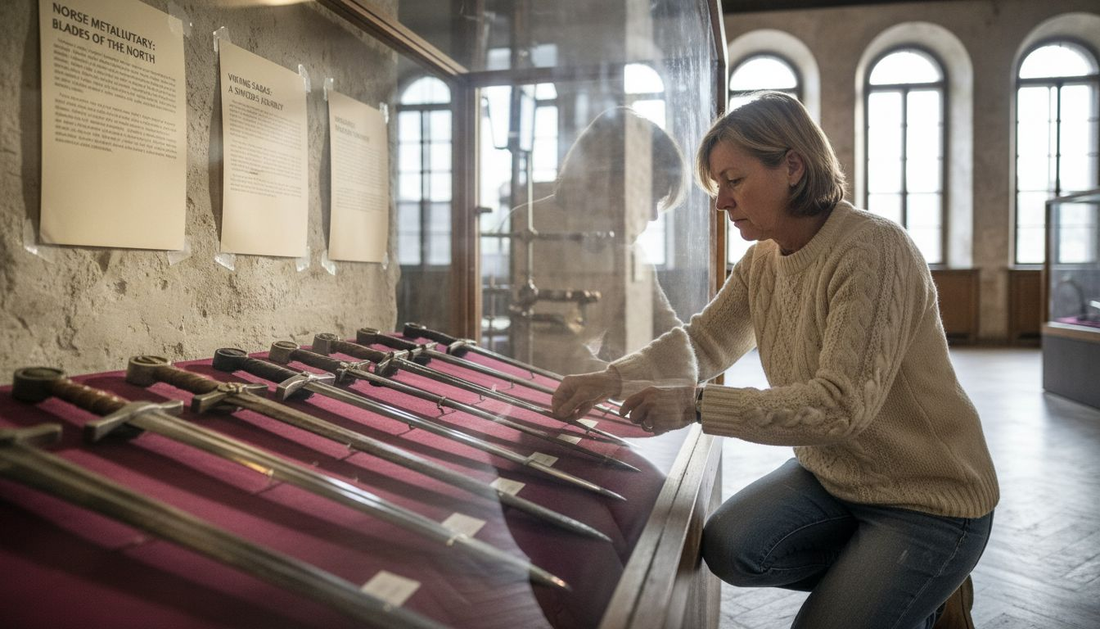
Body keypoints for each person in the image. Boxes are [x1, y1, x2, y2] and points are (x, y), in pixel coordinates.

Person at [551, 92, 998, 629]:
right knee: (729, 547)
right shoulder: (763, 259)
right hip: (835, 478)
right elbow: (703, 341)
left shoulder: (873, 249)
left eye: (733, 181)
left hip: (929, 500)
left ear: (792, 167)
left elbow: (839, 407)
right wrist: (610, 378)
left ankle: (922, 581)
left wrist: (695, 404)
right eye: (718, 186)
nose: (721, 202)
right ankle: (896, 584)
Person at [493, 106, 687, 375]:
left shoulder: (626, 254)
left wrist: (686, 387)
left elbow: (666, 335)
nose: (654, 215)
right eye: (650, 197)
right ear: (611, 183)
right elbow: (549, 347)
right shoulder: (530, 226)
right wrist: (620, 385)